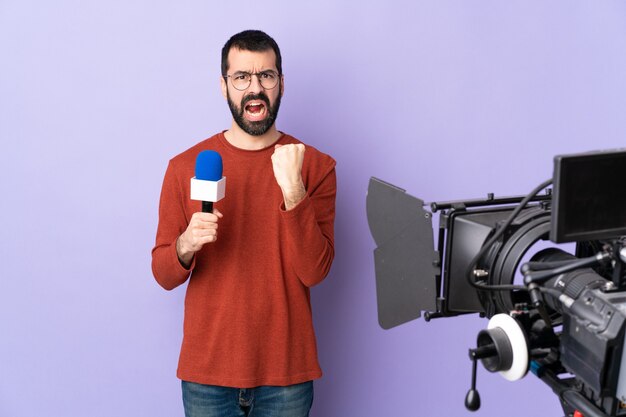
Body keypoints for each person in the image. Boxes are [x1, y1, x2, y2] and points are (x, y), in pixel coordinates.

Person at [151, 29, 336, 417]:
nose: (255, 88)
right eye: (241, 77)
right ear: (224, 86)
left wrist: (293, 191)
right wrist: (185, 245)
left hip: (286, 374)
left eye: (266, 76)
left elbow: (315, 271)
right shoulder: (184, 167)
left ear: (281, 84)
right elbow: (163, 274)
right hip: (207, 374)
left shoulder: (315, 165)